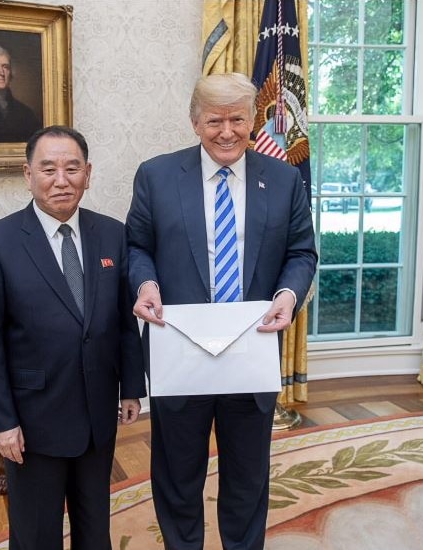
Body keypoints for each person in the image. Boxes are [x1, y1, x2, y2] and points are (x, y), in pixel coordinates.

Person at [125, 72, 318, 549]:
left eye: (237, 119)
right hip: (179, 353)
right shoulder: (156, 175)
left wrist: (288, 297)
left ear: (253, 120)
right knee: (177, 476)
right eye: (215, 121)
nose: (227, 131)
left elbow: (301, 253)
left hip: (251, 353)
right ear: (195, 122)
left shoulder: (285, 179)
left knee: (248, 477)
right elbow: (136, 246)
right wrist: (146, 284)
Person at [0, 125, 146, 550]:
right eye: (48, 169)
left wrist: (131, 389)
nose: (61, 180)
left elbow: (123, 321)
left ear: (88, 173)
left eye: (72, 168)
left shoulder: (112, 234)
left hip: (97, 416)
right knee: (36, 535)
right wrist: (0, 422)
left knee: (94, 527)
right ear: (28, 175)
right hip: (32, 423)